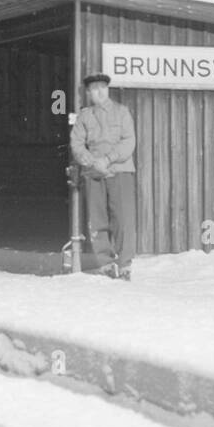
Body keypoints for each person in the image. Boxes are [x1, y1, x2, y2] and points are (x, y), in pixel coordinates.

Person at [70, 73, 136, 280]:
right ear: (88, 93)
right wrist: (92, 162)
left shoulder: (122, 112)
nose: (99, 92)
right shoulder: (84, 116)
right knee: (97, 219)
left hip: (120, 170)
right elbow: (77, 144)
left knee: (123, 219)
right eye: (94, 88)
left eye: (103, 87)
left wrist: (107, 160)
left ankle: (124, 265)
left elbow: (128, 141)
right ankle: (106, 264)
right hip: (93, 173)